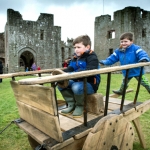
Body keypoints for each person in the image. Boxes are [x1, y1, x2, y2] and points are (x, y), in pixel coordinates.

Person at [57, 35, 101, 117]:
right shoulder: (75, 57)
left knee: (76, 86)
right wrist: (60, 73)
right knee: (61, 83)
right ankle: (71, 104)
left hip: (91, 84)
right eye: (75, 47)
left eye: (78, 47)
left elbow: (89, 71)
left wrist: (72, 74)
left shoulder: (92, 57)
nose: (76, 49)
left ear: (87, 47)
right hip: (78, 81)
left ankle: (80, 106)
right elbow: (70, 68)